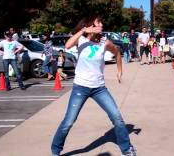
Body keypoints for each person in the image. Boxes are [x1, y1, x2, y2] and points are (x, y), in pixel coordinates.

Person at [51, 15, 136, 156]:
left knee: (117, 118)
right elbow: (67, 45)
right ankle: (55, 150)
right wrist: (84, 30)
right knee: (69, 121)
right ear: (91, 25)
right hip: (80, 87)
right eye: (98, 22)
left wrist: (119, 71)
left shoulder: (105, 42)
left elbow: (117, 53)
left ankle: (127, 149)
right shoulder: (81, 39)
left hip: (99, 88)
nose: (102, 24)